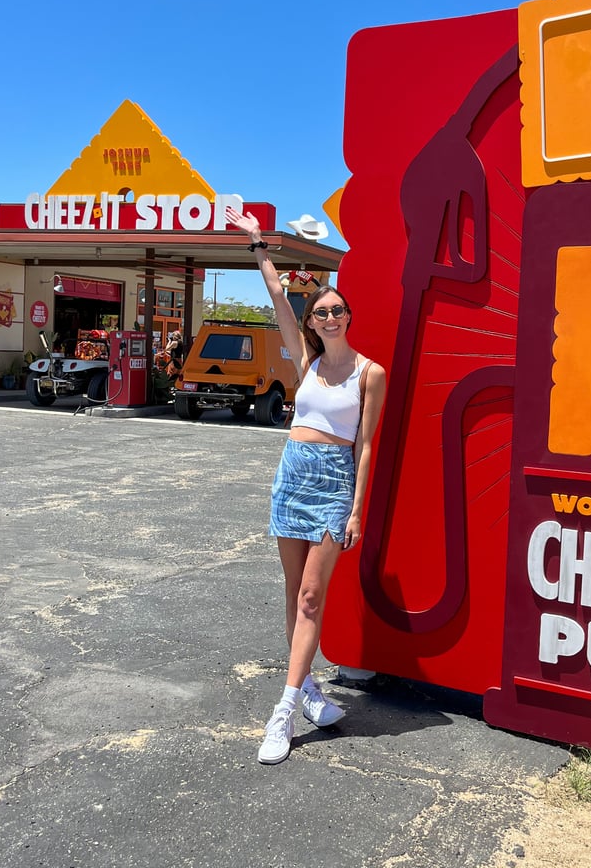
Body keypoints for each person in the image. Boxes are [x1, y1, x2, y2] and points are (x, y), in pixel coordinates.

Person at [226, 207, 386, 765]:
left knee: (314, 595)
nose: (332, 318)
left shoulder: (370, 373)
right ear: (312, 322)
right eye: (322, 312)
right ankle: (311, 687)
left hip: (334, 484)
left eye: (339, 310)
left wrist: (357, 509)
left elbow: (366, 445)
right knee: (293, 593)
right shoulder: (306, 364)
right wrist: (258, 245)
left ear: (349, 316)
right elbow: (276, 297)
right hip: (292, 475)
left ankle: (285, 709)